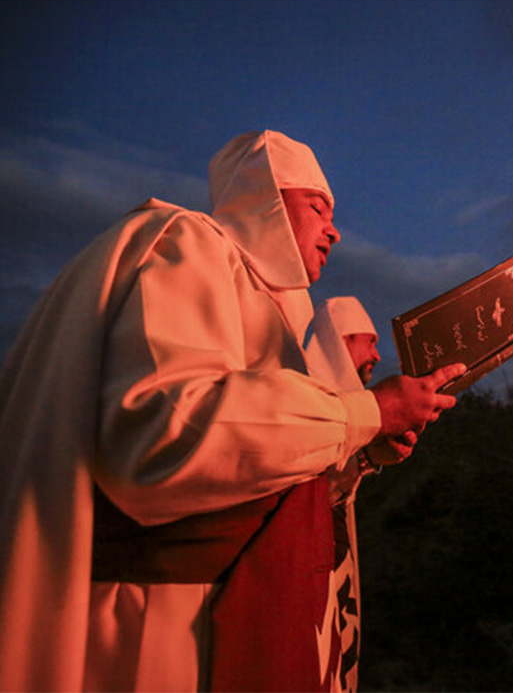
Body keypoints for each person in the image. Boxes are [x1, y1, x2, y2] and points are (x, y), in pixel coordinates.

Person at [0, 130, 464, 692]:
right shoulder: (185, 243)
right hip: (157, 621)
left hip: (234, 614)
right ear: (266, 197)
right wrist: (365, 414)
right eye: (318, 205)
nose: (335, 229)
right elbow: (165, 432)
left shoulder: (269, 307)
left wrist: (360, 450)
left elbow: (263, 468)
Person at [304, 295, 387, 692]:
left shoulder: (347, 406)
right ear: (341, 340)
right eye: (368, 342)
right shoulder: (307, 396)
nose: (377, 355)